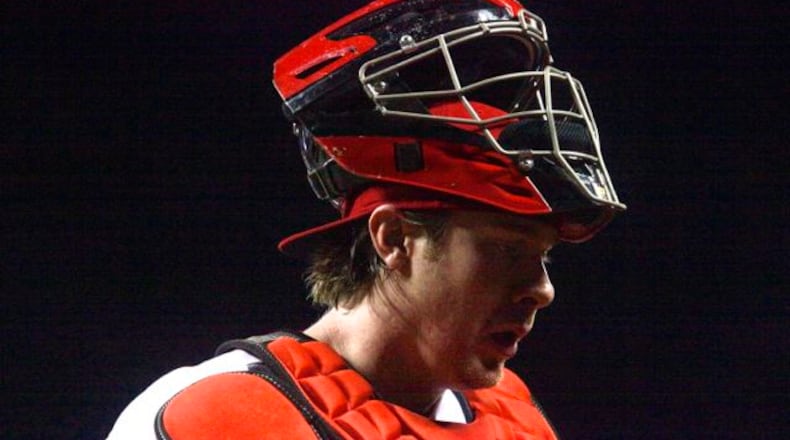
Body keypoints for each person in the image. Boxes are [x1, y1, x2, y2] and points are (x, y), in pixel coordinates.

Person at [107, 0, 625, 438]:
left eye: (543, 256)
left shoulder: (516, 421)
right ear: (394, 238)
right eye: (508, 250)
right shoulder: (216, 415)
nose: (542, 289)